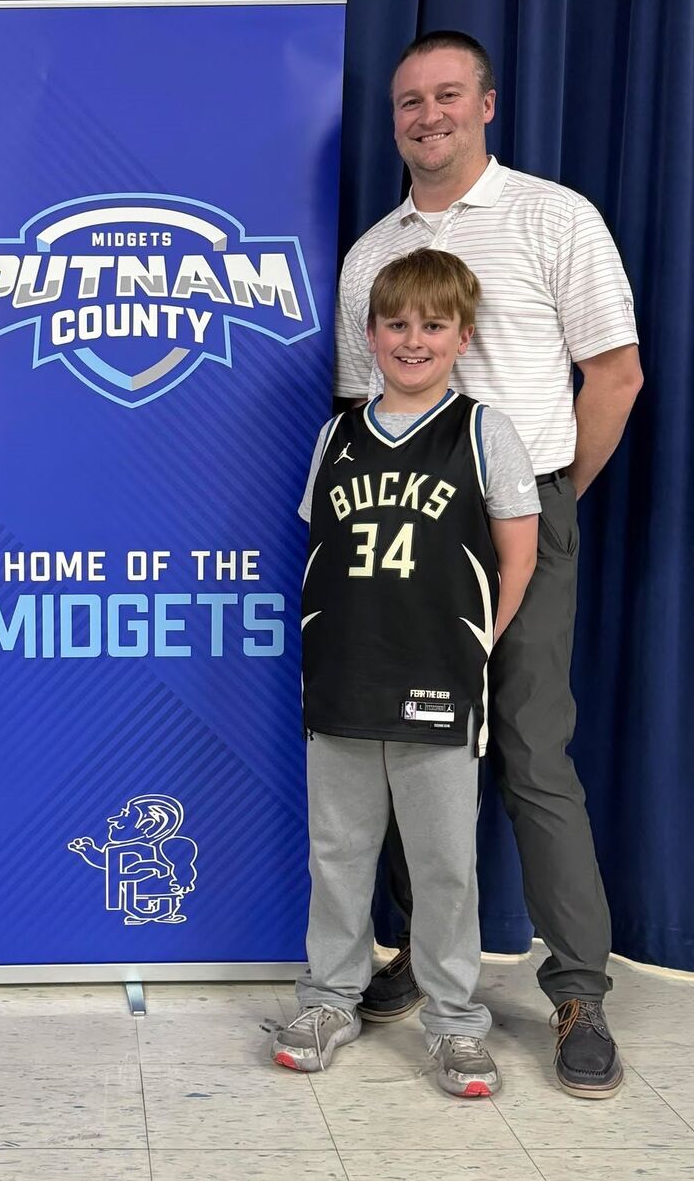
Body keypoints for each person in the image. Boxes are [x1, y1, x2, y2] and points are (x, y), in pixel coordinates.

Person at [335, 31, 643, 1097]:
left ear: (487, 105)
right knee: (408, 745)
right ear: (394, 120)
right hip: (402, 524)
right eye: (409, 101)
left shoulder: (555, 217)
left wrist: (547, 501)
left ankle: (579, 988)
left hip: (522, 515)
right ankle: (425, 960)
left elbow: (614, 374)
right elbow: (361, 406)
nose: (428, 115)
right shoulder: (371, 255)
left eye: (448, 95)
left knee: (530, 749)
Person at [273, 249, 539, 1097]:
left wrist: (475, 645)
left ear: (463, 336)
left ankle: (456, 1021)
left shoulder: (483, 431)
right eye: (396, 324)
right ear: (371, 333)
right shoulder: (337, 435)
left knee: (444, 865)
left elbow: (518, 556)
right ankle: (329, 999)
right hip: (344, 677)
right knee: (337, 855)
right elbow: (319, 544)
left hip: (437, 682)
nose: (412, 340)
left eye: (432, 325)